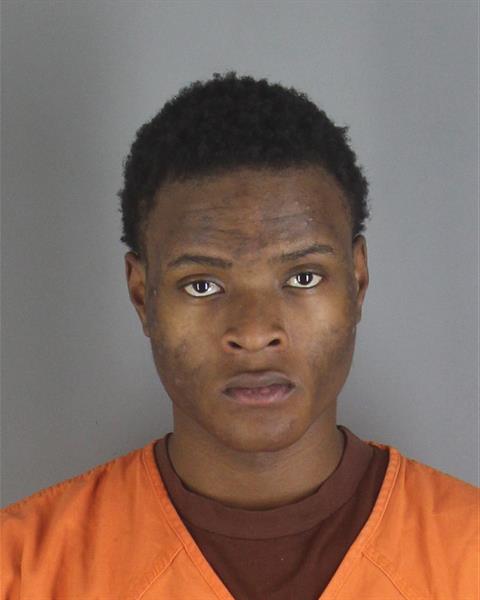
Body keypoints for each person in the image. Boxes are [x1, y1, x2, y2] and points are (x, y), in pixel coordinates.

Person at [1, 72, 476, 600]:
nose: (254, 333)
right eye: (202, 285)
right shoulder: (20, 569)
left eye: (303, 277)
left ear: (357, 280)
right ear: (142, 294)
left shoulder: (469, 552)